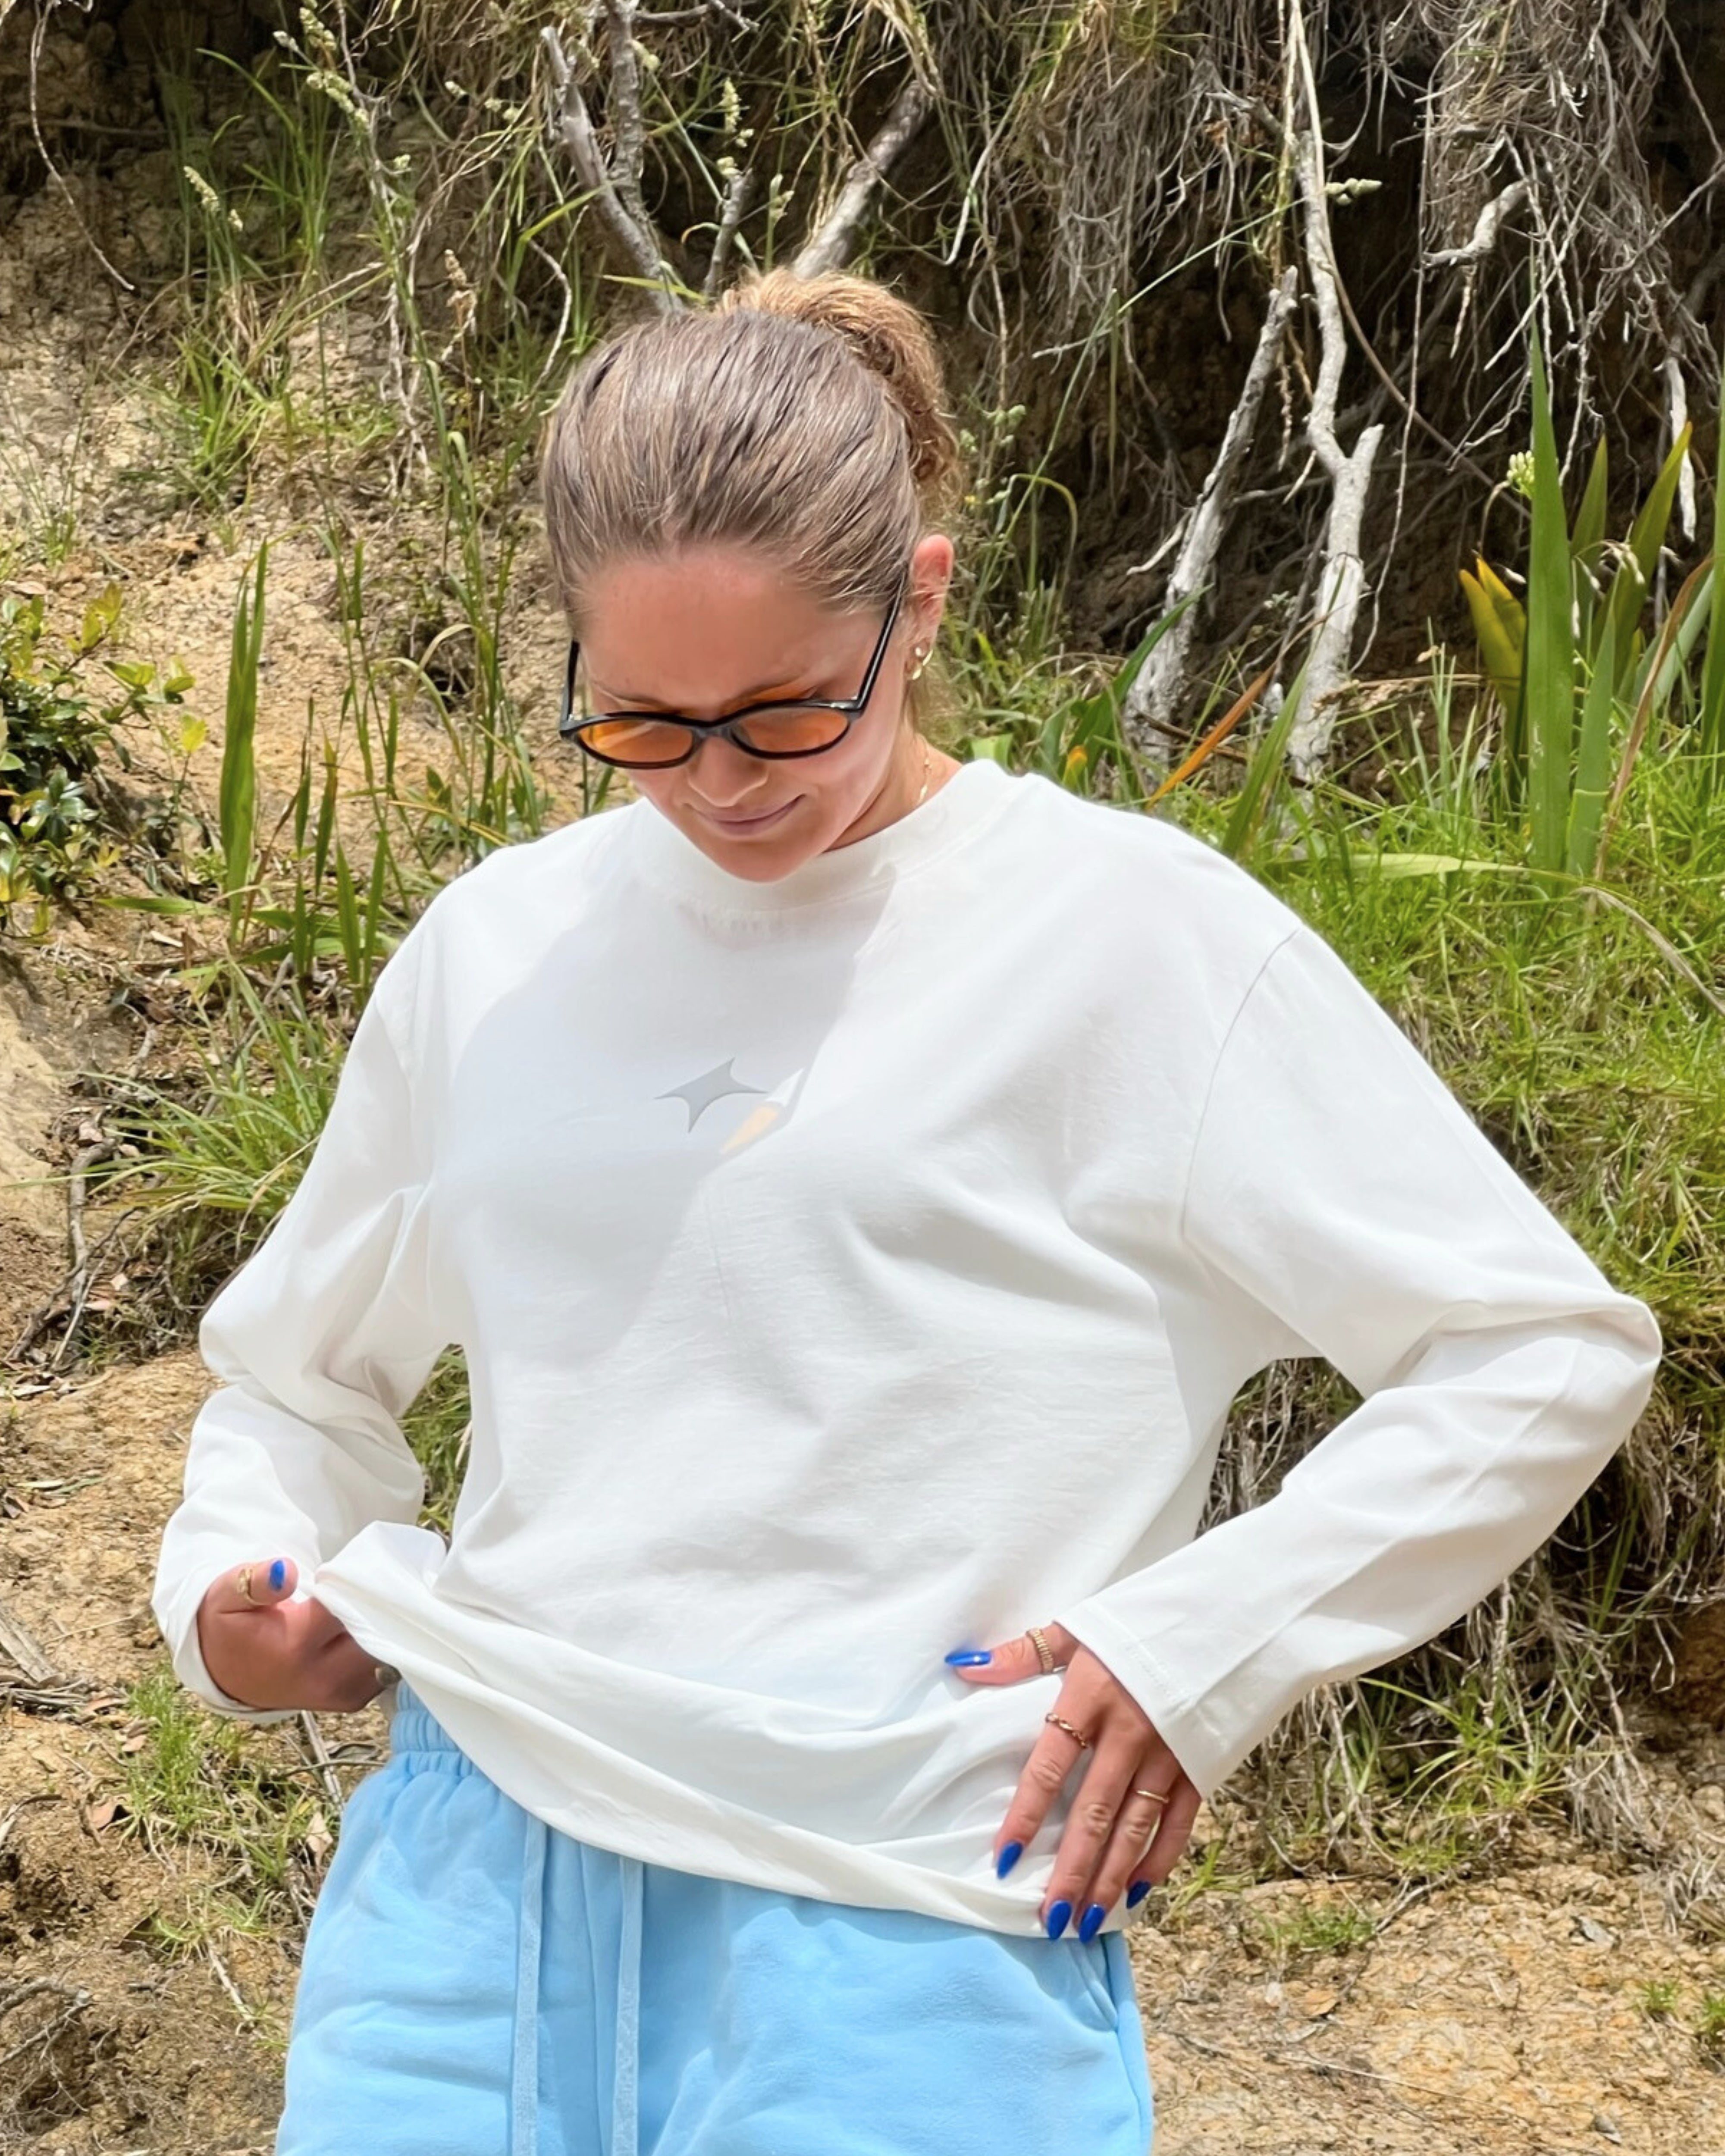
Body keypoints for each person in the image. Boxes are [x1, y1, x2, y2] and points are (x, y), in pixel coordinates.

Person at [152, 267, 1662, 2156]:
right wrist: (233, 1591)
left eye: (786, 713)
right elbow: (297, 1383)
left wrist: (1203, 1648)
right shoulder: (499, 949)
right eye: (642, 722)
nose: (716, 785)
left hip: (904, 1927)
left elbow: (1537, 1347)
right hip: (460, 1910)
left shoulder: (1129, 938)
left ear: (920, 602)